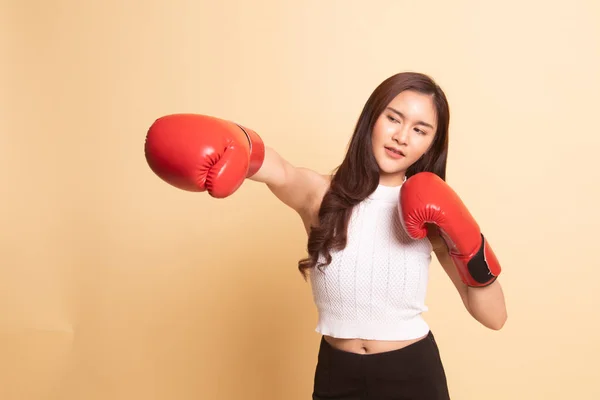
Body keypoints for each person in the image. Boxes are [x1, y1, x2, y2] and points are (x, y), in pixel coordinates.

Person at [144, 71, 508, 399]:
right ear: (372, 120)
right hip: (337, 375)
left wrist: (468, 238)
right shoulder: (319, 194)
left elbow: (494, 317)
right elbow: (278, 169)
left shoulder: (430, 212)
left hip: (412, 375)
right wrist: (235, 142)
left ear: (431, 143)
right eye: (393, 119)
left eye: (419, 129)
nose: (401, 136)